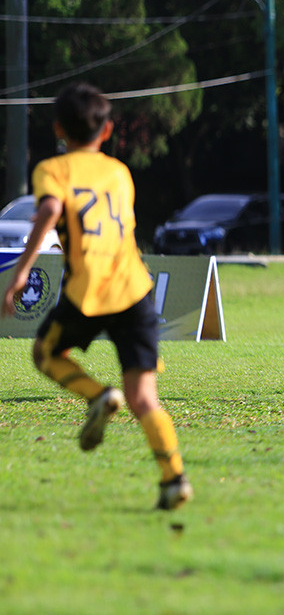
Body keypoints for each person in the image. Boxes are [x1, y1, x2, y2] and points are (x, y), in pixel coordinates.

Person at [1, 83, 192, 510]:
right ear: (106, 132)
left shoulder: (52, 169)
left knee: (45, 354)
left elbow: (51, 210)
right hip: (134, 289)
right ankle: (174, 478)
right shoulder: (119, 172)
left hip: (87, 289)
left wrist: (22, 271)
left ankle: (97, 395)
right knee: (144, 398)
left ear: (58, 129)